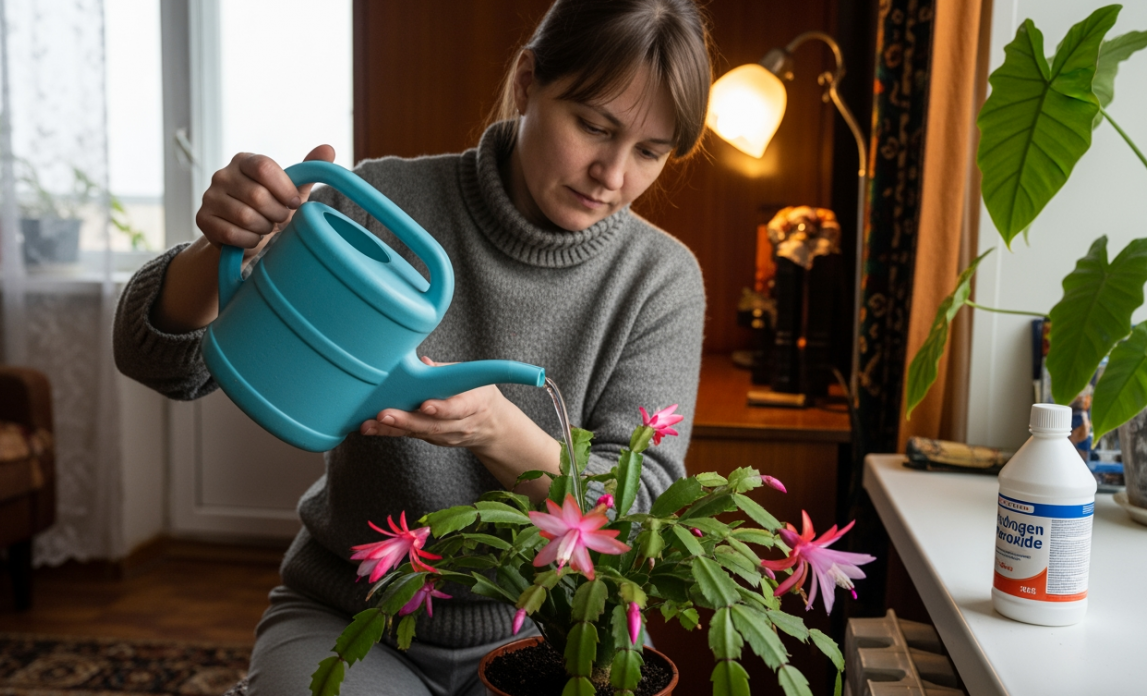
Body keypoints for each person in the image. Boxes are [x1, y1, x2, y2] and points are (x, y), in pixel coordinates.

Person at [113, 1, 711, 694]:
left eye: (650, 152)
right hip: (349, 616)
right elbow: (159, 362)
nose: (612, 173)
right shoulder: (376, 203)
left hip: (549, 635)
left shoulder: (660, 280)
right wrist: (221, 246)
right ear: (526, 84)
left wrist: (495, 431)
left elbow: (637, 518)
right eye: (594, 126)